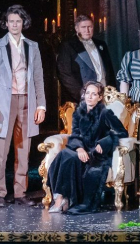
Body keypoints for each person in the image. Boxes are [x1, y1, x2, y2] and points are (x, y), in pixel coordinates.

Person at [0, 4, 47, 208]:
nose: (14, 25)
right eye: (11, 21)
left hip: (27, 101)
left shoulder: (32, 46)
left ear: (23, 23)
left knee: (23, 149)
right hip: (5, 102)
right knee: (1, 151)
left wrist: (41, 105)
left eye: (18, 21)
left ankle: (20, 192)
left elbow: (38, 77)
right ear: (6, 23)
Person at [47, 81, 127, 215]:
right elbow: (75, 134)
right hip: (81, 150)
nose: (89, 97)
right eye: (87, 93)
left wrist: (104, 142)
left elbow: (122, 132)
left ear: (99, 97)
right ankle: (60, 198)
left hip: (95, 155)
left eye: (94, 94)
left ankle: (62, 200)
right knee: (65, 154)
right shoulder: (78, 113)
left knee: (67, 156)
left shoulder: (105, 113)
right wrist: (79, 148)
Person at [57, 15, 116, 104]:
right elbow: (64, 74)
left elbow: (109, 71)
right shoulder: (68, 46)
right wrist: (83, 95)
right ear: (77, 29)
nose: (87, 30)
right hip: (83, 99)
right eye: (83, 27)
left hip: (104, 97)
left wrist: (111, 94)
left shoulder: (101, 44)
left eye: (90, 27)